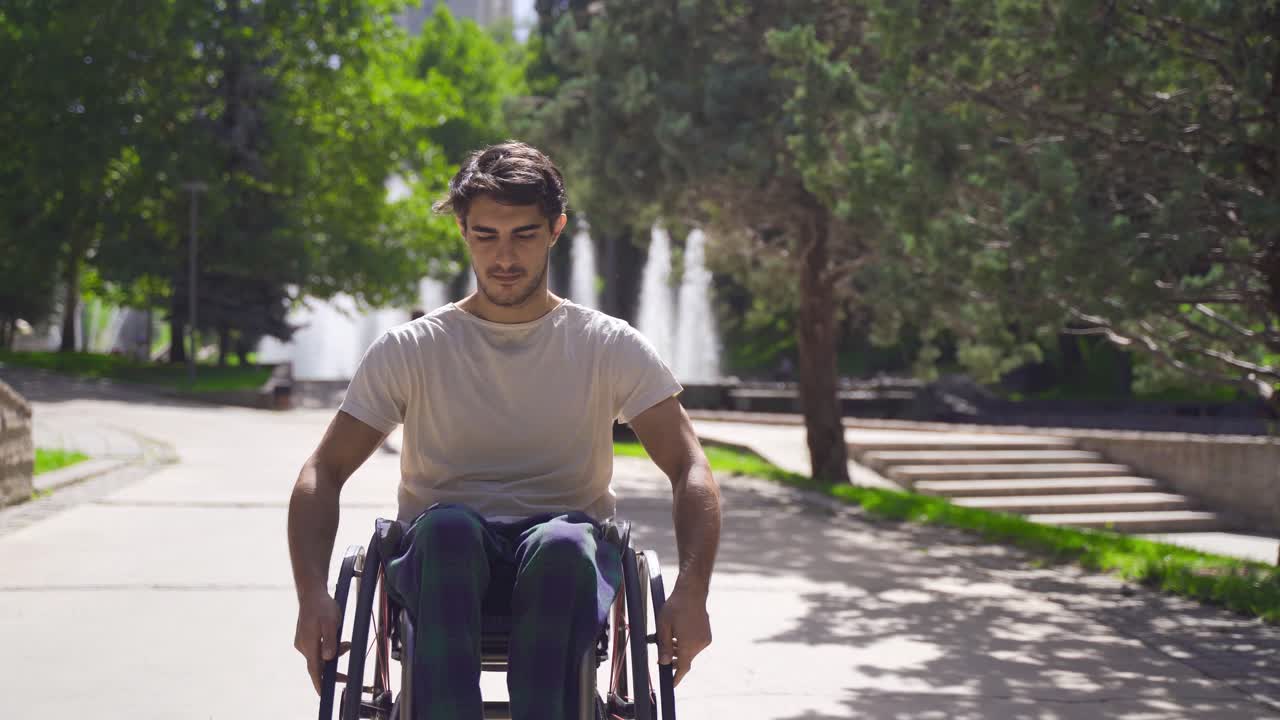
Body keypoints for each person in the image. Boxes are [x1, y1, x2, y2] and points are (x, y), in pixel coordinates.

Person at [287, 141, 722, 719]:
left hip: (564, 562)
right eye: (486, 235)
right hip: (442, 563)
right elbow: (324, 469)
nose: (505, 256)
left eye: (524, 234)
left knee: (565, 543)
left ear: (556, 229)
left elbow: (689, 465)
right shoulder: (412, 349)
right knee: (448, 531)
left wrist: (692, 591)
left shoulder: (607, 345)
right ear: (463, 231)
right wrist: (312, 596)